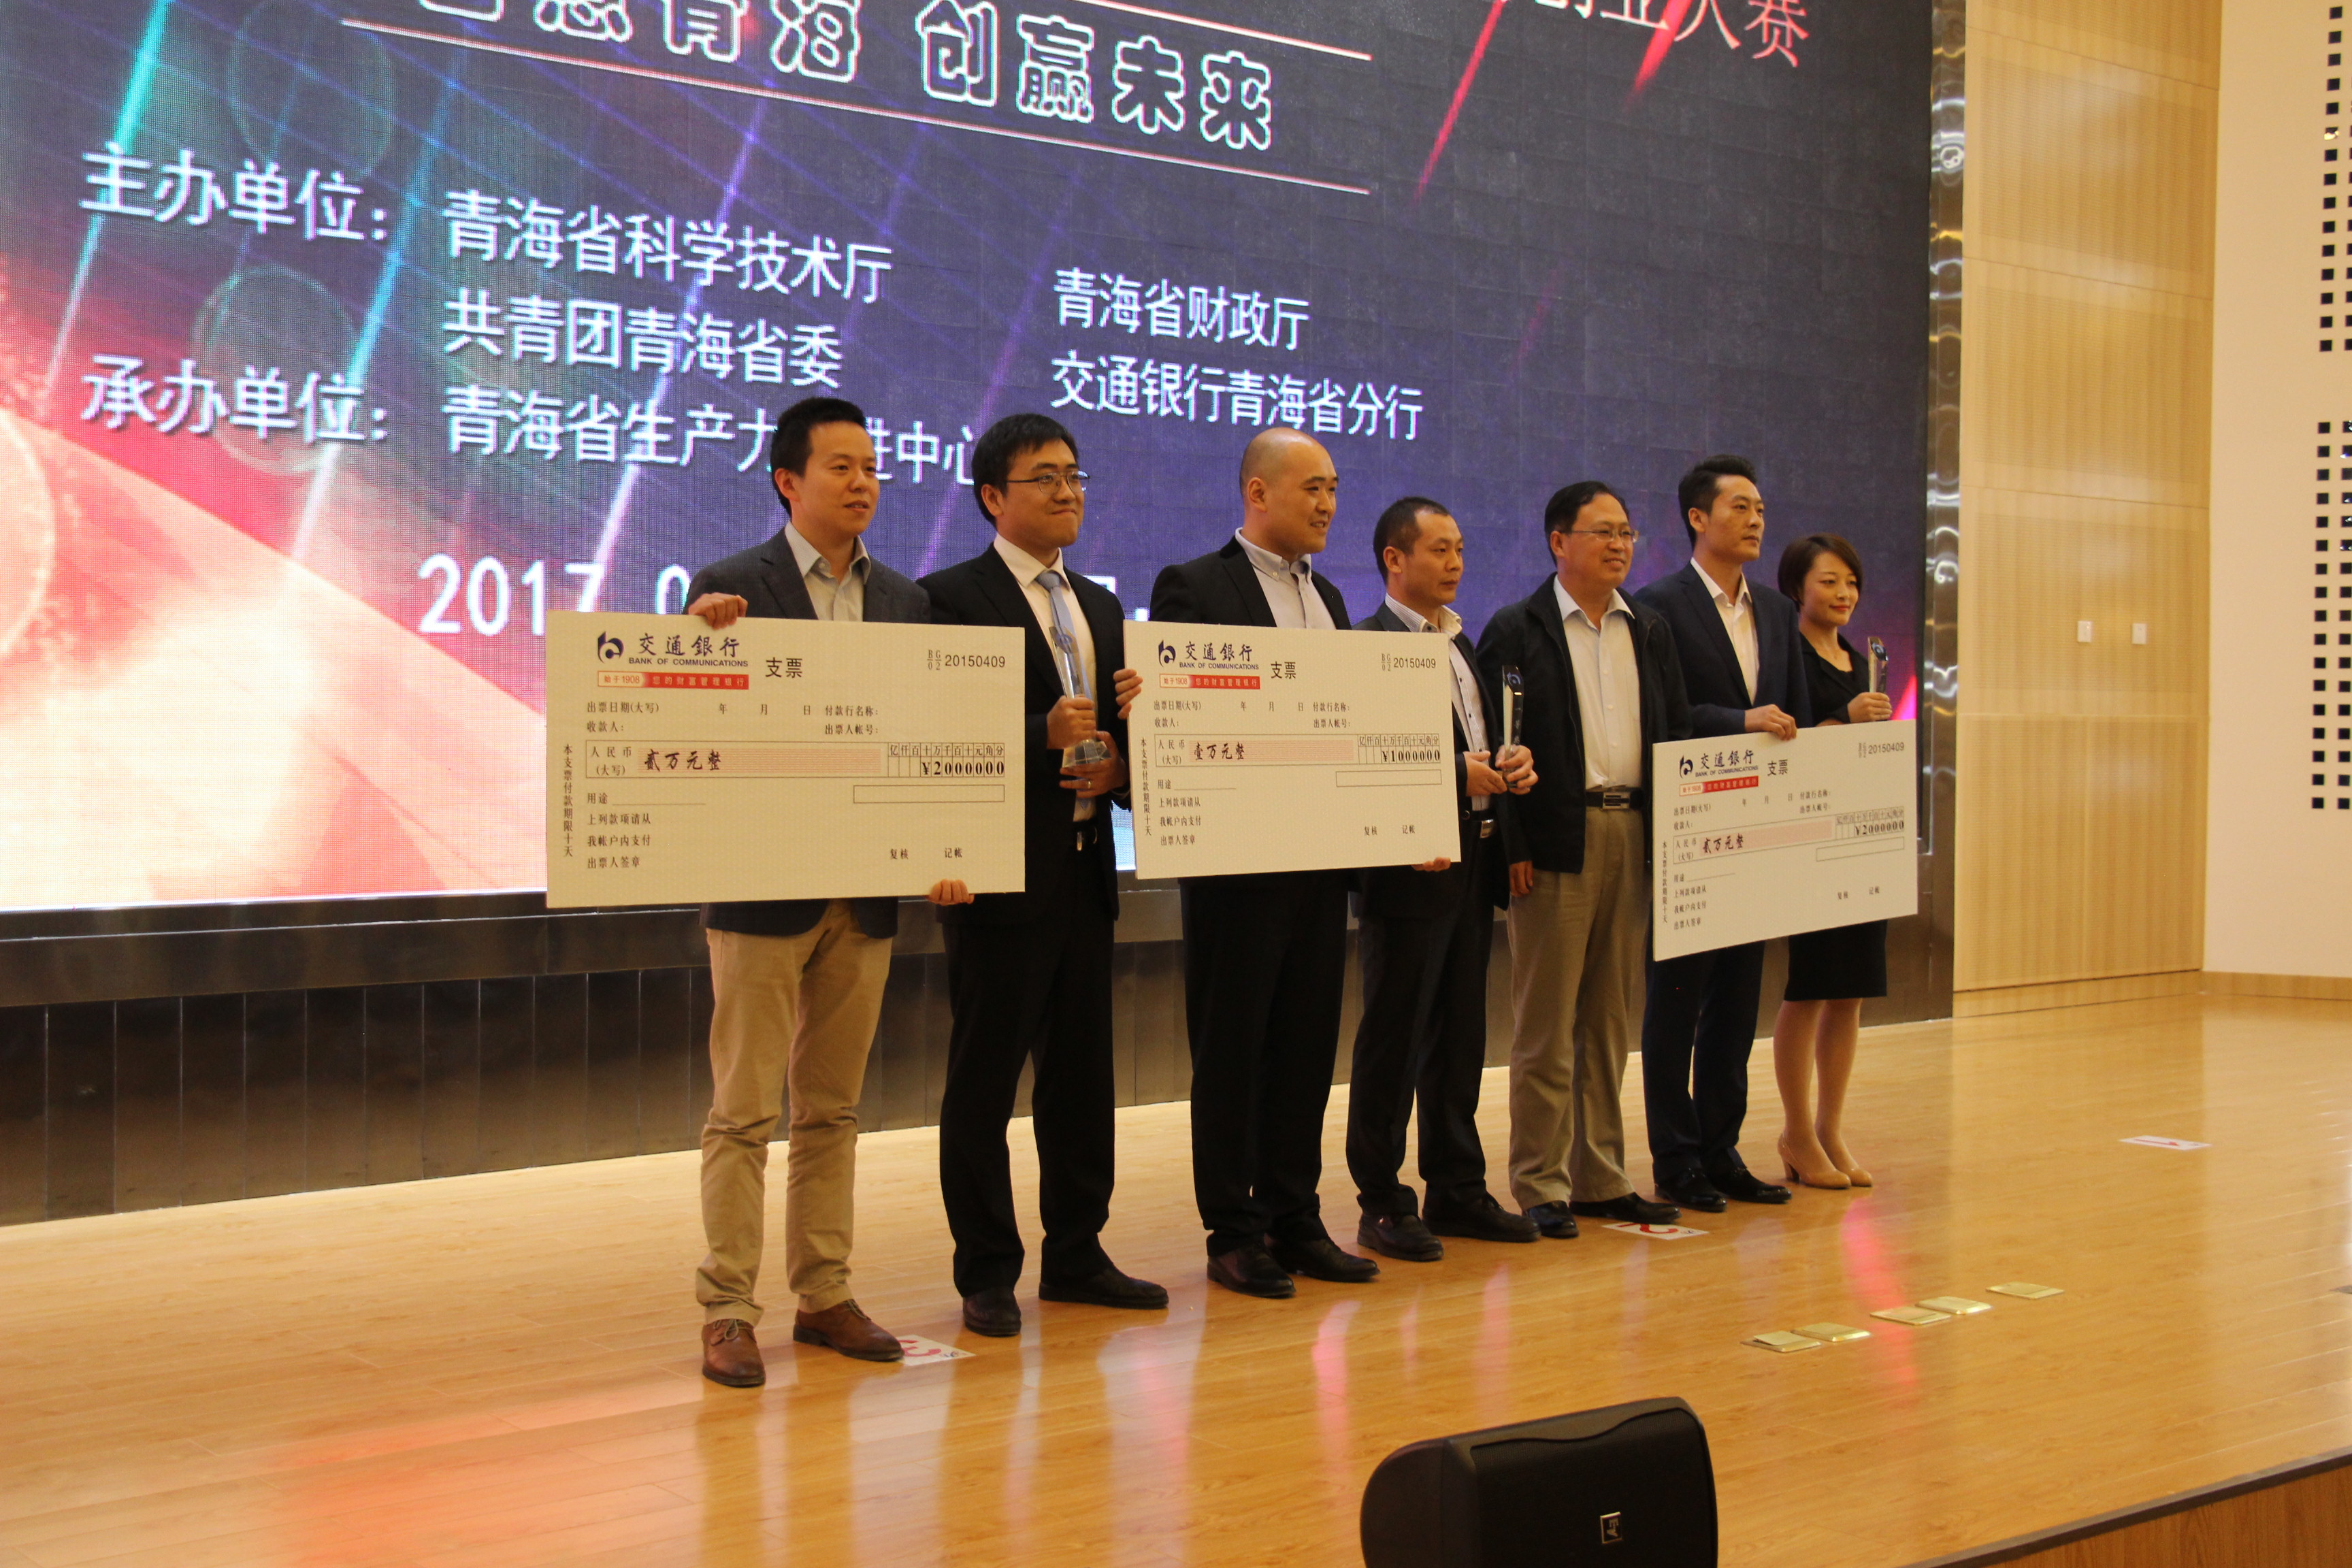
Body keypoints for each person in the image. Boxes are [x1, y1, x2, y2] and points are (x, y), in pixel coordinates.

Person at [681, 395, 968, 1382]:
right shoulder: (730, 587)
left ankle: (825, 1294)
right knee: (743, 1112)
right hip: (763, 887)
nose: (863, 484)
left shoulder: (907, 602)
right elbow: (692, 728)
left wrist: (945, 846)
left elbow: (926, 740)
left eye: (872, 468)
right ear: (788, 481)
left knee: (833, 1110)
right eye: (841, 467)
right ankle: (728, 1306)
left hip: (867, 891)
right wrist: (699, 642)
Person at [919, 413, 1169, 1337]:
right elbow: (934, 732)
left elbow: (1111, 739)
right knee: (984, 1083)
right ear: (993, 496)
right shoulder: (950, 598)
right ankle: (987, 1269)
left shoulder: (1099, 605)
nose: (1068, 492)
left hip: (1086, 866)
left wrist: (1121, 765)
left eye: (1075, 475)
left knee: (1080, 1078)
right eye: (1045, 477)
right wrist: (1040, 736)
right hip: (999, 878)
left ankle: (1077, 1252)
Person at [1149, 427, 1379, 1298]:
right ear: (1258, 492)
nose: (1328, 504)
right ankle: (1234, 1229)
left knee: (1305, 1046)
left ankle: (1294, 1215)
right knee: (1234, 1050)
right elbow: (1181, 717)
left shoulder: (1331, 598)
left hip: (1318, 863)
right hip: (1237, 867)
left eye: (1334, 488)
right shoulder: (1195, 585)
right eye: (1312, 487)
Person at [1475, 483, 1690, 1239]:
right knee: (1546, 1023)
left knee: (1608, 1018)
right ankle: (1540, 1181)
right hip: (1555, 842)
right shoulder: (1518, 628)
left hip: (1632, 832)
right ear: (1558, 542)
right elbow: (1497, 744)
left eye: (1627, 532)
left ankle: (1601, 1177)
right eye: (1603, 532)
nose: (1620, 545)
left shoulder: (1649, 629)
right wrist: (1512, 844)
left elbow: (1672, 732)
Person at [1345, 498, 1541, 1262]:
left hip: (1473, 858)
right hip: (1407, 868)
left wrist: (1511, 766)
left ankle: (1456, 1187)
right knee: (1395, 1039)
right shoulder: (1367, 645)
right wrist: (1452, 774)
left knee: (1460, 1035)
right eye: (1438, 549)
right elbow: (1363, 756)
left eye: (1459, 547)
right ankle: (1381, 1201)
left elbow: (1480, 746)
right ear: (1394, 559)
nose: (1455, 562)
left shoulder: (1461, 643)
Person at [1629, 455, 1812, 1213]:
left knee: (1737, 1004)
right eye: (1741, 506)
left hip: (1757, 830)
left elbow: (1794, 711)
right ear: (1698, 518)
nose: (1757, 519)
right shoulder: (1656, 606)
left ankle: (1721, 1149)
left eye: (1761, 507)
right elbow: (1659, 717)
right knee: (1677, 1003)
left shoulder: (1775, 610)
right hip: (1691, 831)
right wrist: (1738, 722)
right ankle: (1675, 1159)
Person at [1769, 534, 1894, 1191]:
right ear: (1798, 587)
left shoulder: (1863, 662)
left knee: (1851, 991)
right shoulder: (1786, 657)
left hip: (1861, 842)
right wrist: (1842, 718)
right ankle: (1795, 1131)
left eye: (1851, 582)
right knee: (1811, 988)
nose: (1844, 593)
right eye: (1828, 581)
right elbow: (1785, 747)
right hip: (1811, 840)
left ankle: (1830, 1128)